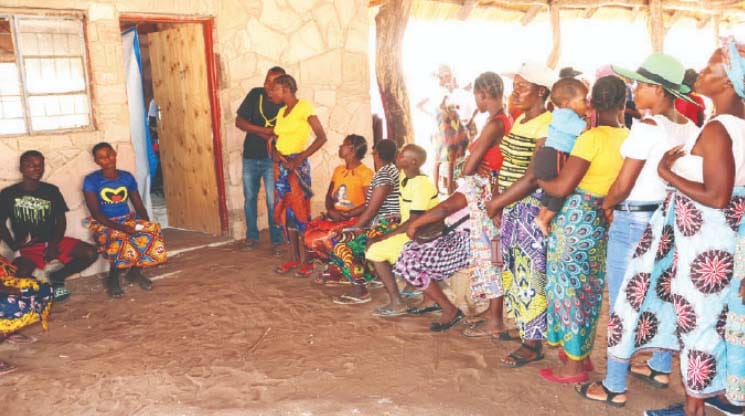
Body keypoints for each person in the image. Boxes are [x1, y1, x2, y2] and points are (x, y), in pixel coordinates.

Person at [608, 43, 745, 416]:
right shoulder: (735, 125)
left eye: (712, 65)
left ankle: (692, 410)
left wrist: (667, 174)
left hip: (705, 244)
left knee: (698, 323)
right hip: (722, 240)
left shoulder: (718, 129)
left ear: (730, 82)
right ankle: (697, 401)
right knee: (710, 322)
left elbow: (717, 196)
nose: (701, 69)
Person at [576, 53, 700, 407]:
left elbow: (623, 183)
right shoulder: (690, 130)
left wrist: (606, 205)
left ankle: (614, 385)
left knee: (623, 303)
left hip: (633, 220)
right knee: (661, 294)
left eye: (642, 85)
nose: (635, 90)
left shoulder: (647, 128)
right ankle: (659, 366)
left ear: (659, 91)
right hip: (668, 220)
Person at [398, 72, 511, 332]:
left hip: (485, 202)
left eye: (476, 96)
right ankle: (491, 315)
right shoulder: (505, 120)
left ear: (481, 94)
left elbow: (466, 169)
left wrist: (471, 166)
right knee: (493, 257)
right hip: (491, 198)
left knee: (491, 257)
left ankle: (494, 320)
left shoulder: (495, 124)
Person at [537, 75, 628, 384]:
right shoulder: (628, 136)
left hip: (575, 219)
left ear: (591, 103)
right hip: (601, 219)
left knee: (567, 289)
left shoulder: (590, 138)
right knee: (588, 289)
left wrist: (539, 180)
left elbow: (562, 186)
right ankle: (581, 355)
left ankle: (574, 367)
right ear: (623, 103)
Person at [484, 61, 554, 366]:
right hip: (512, 205)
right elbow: (508, 166)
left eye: (522, 87)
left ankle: (533, 343)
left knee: (531, 273)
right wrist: (499, 198)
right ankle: (527, 328)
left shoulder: (547, 124)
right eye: (515, 86)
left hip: (529, 207)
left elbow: (533, 176)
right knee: (514, 269)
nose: (516, 92)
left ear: (541, 91)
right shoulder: (523, 119)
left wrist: (497, 203)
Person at [0, 150, 97, 302]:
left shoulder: (51, 191)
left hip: (53, 240)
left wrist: (54, 244)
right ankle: (39, 288)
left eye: (40, 165)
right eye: (30, 165)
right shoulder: (8, 194)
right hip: (28, 247)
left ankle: (58, 277)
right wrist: (14, 246)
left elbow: (61, 220)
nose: (36, 168)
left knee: (90, 253)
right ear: (21, 168)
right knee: (19, 277)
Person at [356, 144, 438, 316]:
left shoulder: (422, 185)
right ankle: (415, 290)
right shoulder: (404, 176)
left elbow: (413, 222)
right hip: (412, 230)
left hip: (422, 233)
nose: (398, 157)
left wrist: (383, 237)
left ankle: (397, 302)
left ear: (413, 162)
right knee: (376, 245)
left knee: (375, 250)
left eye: (402, 156)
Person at [83, 142, 166, 298]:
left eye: (109, 154)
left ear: (115, 154)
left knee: (151, 233)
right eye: (101, 157)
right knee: (119, 240)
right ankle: (113, 278)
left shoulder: (126, 177)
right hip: (104, 222)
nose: (107, 159)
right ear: (96, 161)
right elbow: (96, 213)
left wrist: (146, 223)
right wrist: (121, 228)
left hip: (126, 219)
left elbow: (138, 204)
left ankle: (135, 272)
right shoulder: (91, 180)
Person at [267, 74, 328, 274]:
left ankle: (308, 261)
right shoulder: (282, 111)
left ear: (286, 89)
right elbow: (275, 139)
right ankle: (293, 258)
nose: (271, 93)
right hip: (282, 165)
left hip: (296, 167)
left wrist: (299, 159)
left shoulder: (304, 108)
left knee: (301, 213)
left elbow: (321, 137)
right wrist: (274, 153)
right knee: (285, 213)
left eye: (274, 89)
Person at [327, 139, 400, 296]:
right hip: (387, 223)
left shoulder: (383, 176)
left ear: (376, 154)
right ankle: (369, 276)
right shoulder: (392, 170)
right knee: (350, 236)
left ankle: (359, 290)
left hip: (385, 225)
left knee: (340, 242)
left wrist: (355, 228)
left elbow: (372, 210)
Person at [296, 134, 373, 277]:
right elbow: (329, 195)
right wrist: (331, 210)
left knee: (327, 238)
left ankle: (337, 267)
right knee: (308, 234)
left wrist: (348, 214)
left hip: (354, 219)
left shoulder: (365, 173)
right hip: (336, 216)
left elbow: (369, 202)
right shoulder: (339, 170)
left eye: (343, 144)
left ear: (352, 149)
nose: (340, 147)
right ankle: (323, 264)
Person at [236, 66, 286, 254]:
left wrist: (267, 134)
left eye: (274, 82)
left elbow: (284, 134)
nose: (268, 85)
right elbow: (239, 122)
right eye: (267, 80)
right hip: (250, 156)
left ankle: (277, 240)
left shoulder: (284, 103)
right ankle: (252, 237)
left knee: (273, 200)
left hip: (272, 158)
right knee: (249, 198)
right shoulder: (255, 95)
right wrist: (265, 131)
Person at [532, 78, 589, 236]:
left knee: (550, 191)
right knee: (561, 191)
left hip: (546, 155)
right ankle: (545, 219)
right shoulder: (569, 116)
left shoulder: (558, 114)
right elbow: (586, 131)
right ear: (567, 103)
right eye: (583, 100)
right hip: (556, 156)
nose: (587, 104)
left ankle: (541, 215)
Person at [417, 65, 475, 195]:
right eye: (448, 75)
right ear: (443, 76)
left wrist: (433, 114)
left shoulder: (437, 89)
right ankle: (449, 187)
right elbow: (442, 106)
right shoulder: (441, 91)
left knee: (439, 159)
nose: (450, 78)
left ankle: (439, 187)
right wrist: (448, 110)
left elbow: (420, 105)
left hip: (440, 127)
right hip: (445, 128)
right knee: (450, 157)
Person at [0, 254, 53, 375]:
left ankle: (8, 330)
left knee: (41, 289)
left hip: (4, 282)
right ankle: (4, 329)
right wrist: (7, 289)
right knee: (16, 306)